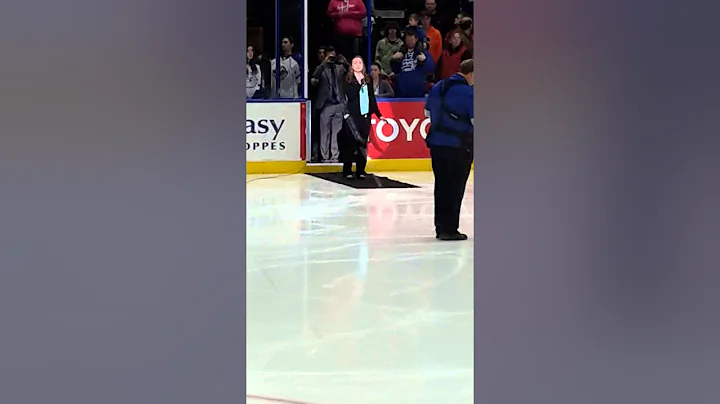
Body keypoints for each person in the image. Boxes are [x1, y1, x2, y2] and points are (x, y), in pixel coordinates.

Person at [424, 59, 474, 241]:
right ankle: (450, 229)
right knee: (455, 188)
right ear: (471, 73)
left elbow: (427, 113)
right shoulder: (469, 93)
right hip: (457, 147)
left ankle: (440, 227)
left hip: (437, 145)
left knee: (441, 186)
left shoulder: (439, 86)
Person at [340, 56, 385, 179]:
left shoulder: (367, 79)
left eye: (360, 62)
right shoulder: (348, 79)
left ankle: (361, 169)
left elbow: (371, 98)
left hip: (365, 116)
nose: (358, 64)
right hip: (352, 116)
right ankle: (347, 169)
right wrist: (359, 83)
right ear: (351, 65)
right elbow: (351, 95)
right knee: (350, 142)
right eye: (355, 62)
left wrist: (378, 114)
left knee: (363, 143)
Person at [311, 47, 348, 162]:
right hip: (326, 104)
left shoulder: (340, 68)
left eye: (333, 55)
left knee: (336, 132)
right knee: (325, 132)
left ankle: (335, 156)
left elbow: (352, 72)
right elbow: (314, 76)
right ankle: (325, 156)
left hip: (339, 103)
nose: (332, 57)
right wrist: (324, 62)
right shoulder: (322, 69)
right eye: (330, 55)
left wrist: (345, 62)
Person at [390, 29, 435, 98]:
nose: (410, 42)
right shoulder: (401, 52)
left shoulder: (422, 52)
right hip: (402, 92)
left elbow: (431, 68)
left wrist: (425, 60)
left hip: (418, 92)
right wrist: (394, 60)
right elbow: (395, 70)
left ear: (416, 39)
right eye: (408, 40)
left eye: (411, 40)